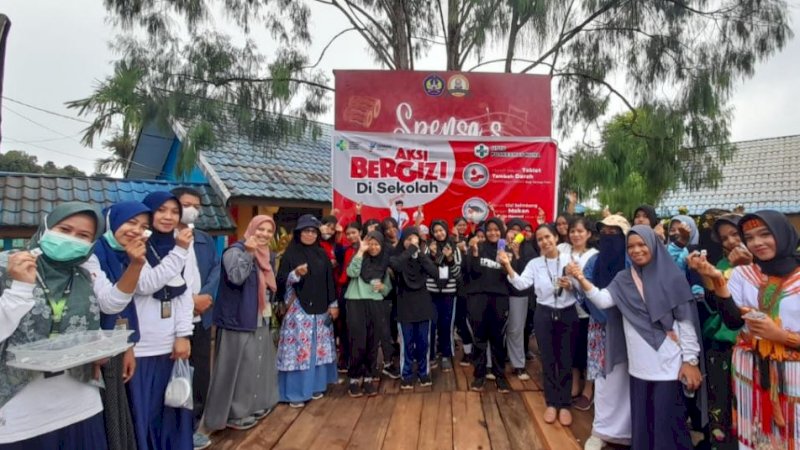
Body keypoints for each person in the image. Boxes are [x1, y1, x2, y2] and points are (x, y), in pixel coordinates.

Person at [0, 202, 144, 449]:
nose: (71, 239)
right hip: (19, 411)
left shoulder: (83, 274)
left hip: (80, 404)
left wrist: (99, 348)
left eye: (83, 236)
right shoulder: (8, 267)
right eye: (64, 229)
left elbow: (92, 320)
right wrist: (20, 289)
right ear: (46, 227)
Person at [570, 225, 703, 450]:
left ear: (653, 245)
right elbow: (603, 300)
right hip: (638, 365)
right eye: (631, 246)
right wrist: (582, 279)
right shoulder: (624, 278)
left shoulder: (672, 276)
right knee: (643, 422)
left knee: (666, 421)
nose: (636, 250)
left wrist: (691, 361)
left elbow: (686, 322)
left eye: (642, 244)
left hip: (668, 361)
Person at [691, 210, 800, 450]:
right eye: (749, 237)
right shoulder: (743, 273)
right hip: (750, 375)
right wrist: (718, 280)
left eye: (764, 234)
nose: (756, 243)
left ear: (783, 233)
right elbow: (732, 321)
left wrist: (781, 336)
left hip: (794, 378)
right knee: (753, 437)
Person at [130, 191, 198, 450]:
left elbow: (185, 292)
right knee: (143, 411)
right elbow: (146, 284)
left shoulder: (182, 244)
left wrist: (183, 335)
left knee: (172, 406)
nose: (168, 217)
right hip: (140, 343)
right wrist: (179, 251)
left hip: (170, 342)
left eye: (174, 211)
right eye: (161, 210)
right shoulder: (135, 244)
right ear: (148, 213)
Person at [203, 215, 279, 431]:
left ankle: (253, 406)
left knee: (256, 364)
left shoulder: (267, 256)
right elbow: (236, 277)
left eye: (268, 231)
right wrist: (248, 252)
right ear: (251, 229)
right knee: (235, 367)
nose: (264, 234)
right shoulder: (234, 251)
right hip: (237, 318)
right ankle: (232, 414)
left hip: (259, 316)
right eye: (260, 229)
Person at [502, 223, 580, 426]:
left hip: (567, 314)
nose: (545, 242)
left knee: (565, 359)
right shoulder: (535, 264)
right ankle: (552, 403)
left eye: (547, 237)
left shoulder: (570, 260)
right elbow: (521, 284)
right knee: (548, 359)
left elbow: (582, 286)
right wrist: (507, 266)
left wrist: (571, 284)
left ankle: (565, 404)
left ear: (555, 237)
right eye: (540, 239)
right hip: (544, 314)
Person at [93, 201, 152, 450]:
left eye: (143, 226)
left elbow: (128, 305)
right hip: (96, 350)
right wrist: (136, 265)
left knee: (117, 407)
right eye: (130, 222)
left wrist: (129, 346)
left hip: (117, 344)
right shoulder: (96, 252)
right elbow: (110, 303)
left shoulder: (123, 254)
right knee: (104, 411)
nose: (136, 230)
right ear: (112, 220)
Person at [171, 187, 220, 450]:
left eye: (197, 206)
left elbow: (215, 268)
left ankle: (192, 429)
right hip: (171, 324)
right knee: (172, 377)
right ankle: (171, 431)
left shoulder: (204, 239)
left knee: (200, 377)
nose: (192, 209)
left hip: (202, 319)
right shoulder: (163, 240)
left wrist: (204, 298)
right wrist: (187, 303)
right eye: (186, 204)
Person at [580, 215, 632, 450]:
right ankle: (602, 430)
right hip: (601, 328)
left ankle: (631, 431)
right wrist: (604, 317)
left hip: (631, 328)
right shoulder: (594, 261)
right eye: (605, 233)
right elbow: (585, 290)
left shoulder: (633, 260)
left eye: (615, 233)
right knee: (604, 380)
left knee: (630, 379)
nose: (609, 238)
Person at [276, 215, 338, 408]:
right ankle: (295, 392)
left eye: (313, 231)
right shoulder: (290, 255)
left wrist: (333, 304)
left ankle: (315, 386)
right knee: (299, 350)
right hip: (298, 310)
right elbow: (280, 281)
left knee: (318, 347)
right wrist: (295, 274)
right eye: (306, 231)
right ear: (298, 233)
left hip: (320, 309)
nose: (310, 235)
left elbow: (330, 280)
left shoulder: (321, 254)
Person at [465, 218, 512, 393]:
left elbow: (512, 276)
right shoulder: (478, 247)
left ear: (502, 231)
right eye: (490, 230)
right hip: (478, 300)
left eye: (496, 230)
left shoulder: (506, 250)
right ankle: (479, 375)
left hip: (499, 300)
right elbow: (471, 271)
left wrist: (507, 261)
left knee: (498, 339)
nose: (493, 233)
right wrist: (475, 253)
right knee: (479, 339)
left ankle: (500, 376)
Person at [344, 231, 392, 397]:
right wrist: (360, 251)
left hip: (375, 302)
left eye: (377, 244)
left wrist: (383, 288)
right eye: (370, 243)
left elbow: (388, 288)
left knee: (373, 340)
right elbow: (351, 273)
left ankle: (369, 377)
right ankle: (354, 378)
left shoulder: (383, 263)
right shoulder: (360, 258)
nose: (373, 247)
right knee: (357, 340)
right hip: (356, 301)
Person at [390, 226, 438, 389]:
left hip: (423, 305)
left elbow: (434, 272)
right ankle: (407, 374)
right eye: (408, 240)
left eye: (414, 240)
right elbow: (396, 266)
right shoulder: (398, 256)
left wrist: (421, 254)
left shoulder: (421, 257)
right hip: (404, 306)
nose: (411, 243)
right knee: (407, 343)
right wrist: (410, 250)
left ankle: (424, 373)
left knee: (423, 342)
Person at [561, 217, 599, 410]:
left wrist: (576, 280)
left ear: (589, 234)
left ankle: (588, 390)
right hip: (567, 308)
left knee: (589, 351)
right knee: (573, 348)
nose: (575, 235)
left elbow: (594, 285)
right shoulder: (563, 250)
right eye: (573, 231)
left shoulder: (595, 255)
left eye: (580, 231)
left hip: (587, 310)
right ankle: (575, 385)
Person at [425, 220, 462, 372]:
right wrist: (433, 256)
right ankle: (432, 355)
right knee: (431, 326)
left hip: (448, 294)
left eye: (441, 230)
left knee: (446, 325)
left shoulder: (454, 249)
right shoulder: (428, 248)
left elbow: (457, 274)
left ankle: (446, 355)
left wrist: (450, 259)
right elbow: (425, 270)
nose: (439, 233)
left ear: (446, 231)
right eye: (436, 231)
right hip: (431, 294)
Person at [505, 218, 537, 381]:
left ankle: (518, 364)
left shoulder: (528, 249)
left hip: (518, 295)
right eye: (512, 229)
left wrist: (517, 254)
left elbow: (526, 276)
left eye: (519, 229)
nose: (515, 232)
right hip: (499, 293)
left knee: (516, 330)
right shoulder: (500, 245)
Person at [378, 217, 401, 379]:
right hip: (387, 291)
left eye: (393, 227)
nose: (391, 230)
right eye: (387, 228)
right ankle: (389, 358)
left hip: (404, 290)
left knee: (398, 319)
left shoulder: (403, 243)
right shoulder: (383, 246)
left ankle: (400, 348)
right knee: (388, 322)